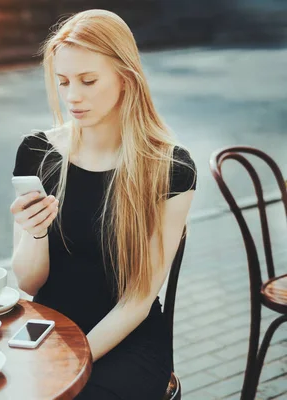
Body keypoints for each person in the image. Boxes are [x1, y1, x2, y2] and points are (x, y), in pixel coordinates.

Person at [10, 9, 197, 400]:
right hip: (49, 327)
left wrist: (74, 365)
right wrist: (35, 231)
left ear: (126, 78)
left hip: (126, 338)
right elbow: (29, 283)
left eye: (88, 80)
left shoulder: (171, 169)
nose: (73, 96)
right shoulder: (37, 152)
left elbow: (138, 300)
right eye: (63, 82)